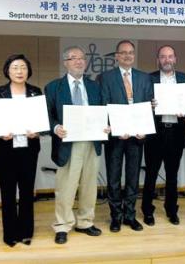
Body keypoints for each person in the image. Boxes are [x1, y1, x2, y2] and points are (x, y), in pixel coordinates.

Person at [45, 46, 107, 244]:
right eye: (73, 58)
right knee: (66, 186)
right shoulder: (54, 87)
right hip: (67, 143)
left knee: (89, 185)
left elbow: (104, 111)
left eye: (81, 58)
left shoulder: (95, 86)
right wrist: (55, 128)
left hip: (92, 141)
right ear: (65, 63)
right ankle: (62, 225)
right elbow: (47, 116)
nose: (79, 62)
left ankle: (85, 222)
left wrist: (107, 125)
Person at [100, 40, 153, 232]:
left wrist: (145, 127)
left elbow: (147, 107)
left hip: (137, 137)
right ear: (116, 56)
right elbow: (104, 105)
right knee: (113, 178)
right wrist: (115, 128)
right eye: (123, 53)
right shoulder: (105, 77)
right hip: (116, 137)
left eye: (131, 52)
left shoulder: (144, 78)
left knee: (132, 178)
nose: (127, 56)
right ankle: (116, 216)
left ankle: (130, 215)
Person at [0, 54, 42, 247]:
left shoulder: (36, 92)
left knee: (27, 192)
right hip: (5, 150)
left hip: (28, 150)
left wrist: (37, 132)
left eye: (23, 67)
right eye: (15, 67)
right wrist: (0, 132)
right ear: (7, 71)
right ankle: (10, 233)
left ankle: (26, 231)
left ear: (28, 71)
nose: (19, 71)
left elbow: (42, 122)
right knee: (8, 192)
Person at [142, 45, 185, 226]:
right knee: (151, 174)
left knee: (172, 175)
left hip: (176, 133)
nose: (167, 60)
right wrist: (150, 105)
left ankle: (171, 210)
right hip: (155, 133)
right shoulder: (149, 79)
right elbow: (141, 103)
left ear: (175, 59)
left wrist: (184, 111)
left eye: (170, 56)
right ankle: (147, 211)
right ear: (158, 60)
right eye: (163, 57)